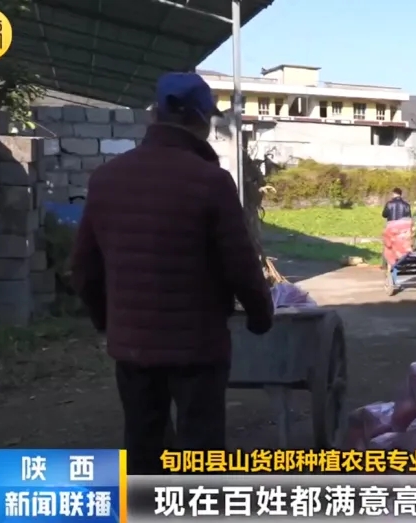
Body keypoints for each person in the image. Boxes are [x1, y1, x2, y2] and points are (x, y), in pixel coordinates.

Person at [71, 72, 275, 474]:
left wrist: (107, 321)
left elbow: (84, 266)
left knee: (143, 442)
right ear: (199, 119)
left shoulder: (106, 178)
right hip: (197, 346)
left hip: (132, 344)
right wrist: (260, 315)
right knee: (200, 447)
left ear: (155, 115)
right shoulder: (211, 181)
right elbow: (240, 263)